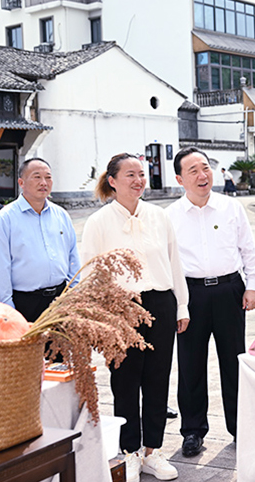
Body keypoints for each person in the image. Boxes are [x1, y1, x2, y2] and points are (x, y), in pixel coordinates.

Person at [81, 153, 189, 482]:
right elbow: (90, 274)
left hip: (160, 304)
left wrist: (182, 306)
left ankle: (152, 452)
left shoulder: (159, 216)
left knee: (157, 380)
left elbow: (174, 263)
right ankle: (129, 452)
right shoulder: (98, 222)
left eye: (142, 174)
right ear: (112, 181)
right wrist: (98, 319)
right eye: (130, 174)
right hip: (120, 308)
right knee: (125, 382)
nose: (138, 180)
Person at [166, 148, 255, 457]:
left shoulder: (231, 208)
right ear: (180, 179)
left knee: (234, 361)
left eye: (205, 168)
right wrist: (178, 304)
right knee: (191, 364)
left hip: (230, 290)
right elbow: (167, 262)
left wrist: (253, 286)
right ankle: (192, 431)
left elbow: (249, 250)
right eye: (192, 171)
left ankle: (240, 427)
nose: (202, 175)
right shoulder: (170, 216)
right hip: (190, 294)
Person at [0, 158, 80, 321]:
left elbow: (73, 257)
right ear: (21, 182)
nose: (44, 182)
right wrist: (8, 311)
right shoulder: (5, 219)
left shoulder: (61, 215)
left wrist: (74, 294)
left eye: (48, 177)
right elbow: (0, 268)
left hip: (60, 300)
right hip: (24, 303)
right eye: (37, 177)